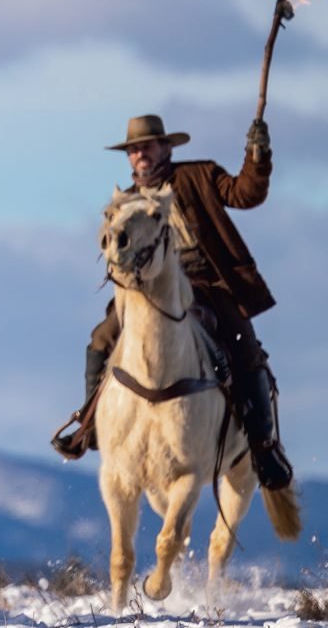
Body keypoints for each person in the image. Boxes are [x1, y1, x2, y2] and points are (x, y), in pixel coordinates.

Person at [51, 113, 291, 490]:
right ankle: (89, 424)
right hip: (146, 292)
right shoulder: (125, 203)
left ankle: (263, 447)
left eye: (145, 146)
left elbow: (246, 194)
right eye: (133, 149)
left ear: (166, 148)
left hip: (208, 284)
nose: (139, 154)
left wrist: (257, 157)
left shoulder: (199, 176)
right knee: (101, 339)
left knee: (246, 349)